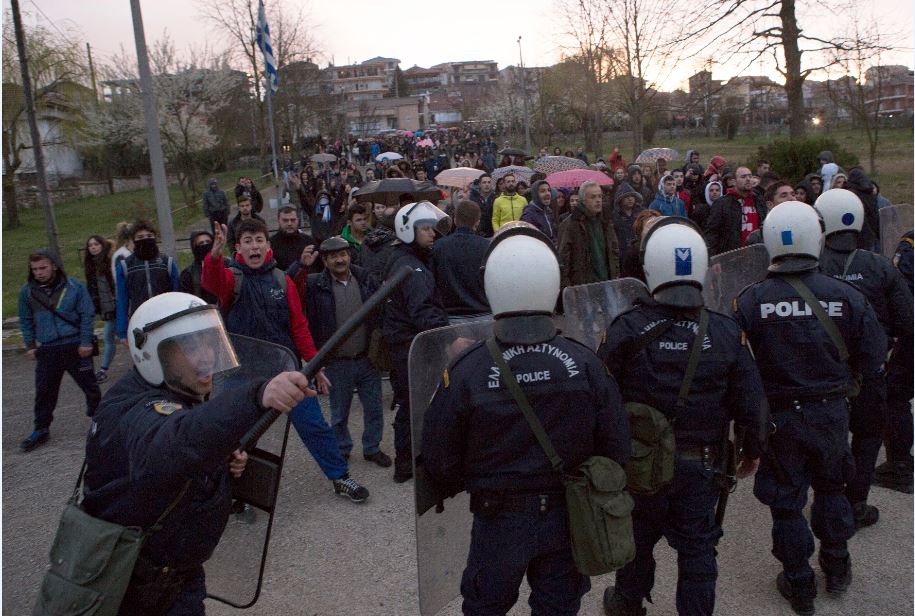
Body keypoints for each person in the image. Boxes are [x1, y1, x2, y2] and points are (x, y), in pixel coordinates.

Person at [422, 225, 630, 616]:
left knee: (485, 608)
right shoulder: (585, 362)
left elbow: (438, 457)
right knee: (558, 607)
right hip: (567, 514)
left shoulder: (467, 370)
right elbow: (616, 443)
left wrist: (476, 477)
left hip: (497, 518)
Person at [81, 291, 316, 613]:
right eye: (190, 346)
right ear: (153, 353)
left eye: (209, 342)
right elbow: (175, 442)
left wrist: (221, 461)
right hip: (131, 590)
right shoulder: (133, 410)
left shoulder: (176, 393)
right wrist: (256, 395)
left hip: (174, 577)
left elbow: (183, 452)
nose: (207, 355)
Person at [600, 218, 767, 616]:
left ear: (650, 266)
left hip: (641, 464)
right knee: (698, 548)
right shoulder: (726, 331)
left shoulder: (626, 327)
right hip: (702, 465)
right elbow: (751, 401)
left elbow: (602, 400)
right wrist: (753, 449)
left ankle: (627, 602)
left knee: (638, 537)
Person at [734, 201, 886, 615]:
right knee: (832, 489)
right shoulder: (847, 296)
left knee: (786, 502)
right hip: (831, 414)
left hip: (779, 420)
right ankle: (836, 566)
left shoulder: (749, 301)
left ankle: (799, 582)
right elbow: (873, 358)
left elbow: (737, 370)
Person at [202, 218, 370, 502]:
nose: (254, 247)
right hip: (242, 375)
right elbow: (213, 282)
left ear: (268, 245)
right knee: (236, 435)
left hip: (284, 370)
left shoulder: (282, 280)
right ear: (238, 248)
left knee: (314, 425)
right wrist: (214, 257)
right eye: (247, 242)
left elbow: (298, 326)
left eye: (259, 240)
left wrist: (315, 365)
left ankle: (341, 477)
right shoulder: (232, 278)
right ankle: (233, 492)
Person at [813, 189, 913, 527]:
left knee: (828, 435)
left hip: (824, 372)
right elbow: (907, 320)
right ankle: (856, 502)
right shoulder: (879, 266)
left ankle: (828, 499)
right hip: (870, 368)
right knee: (868, 434)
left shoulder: (812, 266)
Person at [303, 236, 391, 468]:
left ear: (350, 256)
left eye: (343, 254)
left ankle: (372, 448)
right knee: (339, 412)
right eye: (334, 256)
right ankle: (342, 448)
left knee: (374, 409)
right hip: (337, 363)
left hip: (366, 358)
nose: (340, 260)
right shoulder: (316, 286)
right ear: (325, 261)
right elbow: (307, 319)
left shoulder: (364, 279)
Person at [382, 202, 450, 482]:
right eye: (425, 228)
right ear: (408, 230)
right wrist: (448, 337)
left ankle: (409, 461)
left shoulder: (408, 259)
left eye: (432, 227)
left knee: (411, 406)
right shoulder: (411, 267)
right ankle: (408, 463)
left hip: (406, 346)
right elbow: (423, 312)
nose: (432, 233)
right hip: (411, 348)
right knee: (414, 407)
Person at [18, 250, 101, 452]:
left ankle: (100, 421)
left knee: (90, 387)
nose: (39, 273)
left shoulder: (74, 286)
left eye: (43, 268)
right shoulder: (27, 292)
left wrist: (85, 342)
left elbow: (87, 314)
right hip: (48, 348)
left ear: (54, 266)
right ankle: (41, 428)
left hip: (75, 345)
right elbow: (25, 320)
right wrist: (30, 345)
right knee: (44, 391)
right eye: (35, 269)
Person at [876, 230, 914, 493]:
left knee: (895, 395)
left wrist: (889, 338)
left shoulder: (911, 244)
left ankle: (898, 467)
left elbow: (902, 294)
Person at [115, 221, 179, 342]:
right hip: (139, 319)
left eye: (149, 236)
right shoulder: (125, 266)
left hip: (165, 318)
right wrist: (122, 331)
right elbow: (122, 300)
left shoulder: (167, 262)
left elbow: (177, 293)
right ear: (133, 240)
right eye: (140, 237)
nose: (145, 239)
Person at [557, 179, 621, 288]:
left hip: (608, 282)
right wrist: (569, 288)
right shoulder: (570, 224)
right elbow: (563, 259)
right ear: (583, 200)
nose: (598, 200)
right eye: (593, 197)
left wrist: (616, 277)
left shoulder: (605, 221)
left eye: (600, 196)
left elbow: (614, 250)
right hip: (583, 286)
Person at [431, 200, 490, 316]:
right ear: (477, 222)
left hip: (449, 316)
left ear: (455, 220)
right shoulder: (487, 247)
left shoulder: (439, 246)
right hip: (483, 314)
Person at [704, 167, 767, 255]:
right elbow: (712, 233)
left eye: (750, 176)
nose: (748, 179)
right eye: (743, 177)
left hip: (757, 254)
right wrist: (713, 257)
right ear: (734, 182)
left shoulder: (759, 201)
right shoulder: (722, 204)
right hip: (732, 256)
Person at [83, 235, 118, 384]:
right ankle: (103, 370)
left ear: (102, 246)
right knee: (111, 337)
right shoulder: (91, 266)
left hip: (117, 306)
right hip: (107, 309)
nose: (93, 247)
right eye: (90, 245)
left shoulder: (111, 262)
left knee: (115, 336)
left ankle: (104, 370)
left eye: (96, 244)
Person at [270, 206, 318, 272]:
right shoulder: (271, 244)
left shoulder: (309, 241)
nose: (289, 223)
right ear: (278, 221)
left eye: (293, 220)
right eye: (285, 220)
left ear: (298, 220)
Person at [612, 183, 646, 273]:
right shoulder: (614, 216)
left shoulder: (642, 213)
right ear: (620, 199)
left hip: (640, 253)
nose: (630, 199)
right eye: (626, 197)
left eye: (632, 196)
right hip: (623, 255)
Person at [179, 230, 220, 305]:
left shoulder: (227, 264)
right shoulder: (188, 274)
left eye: (208, 242)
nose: (205, 245)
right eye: (201, 243)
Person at [520, 180, 558, 245]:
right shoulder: (528, 216)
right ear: (535, 195)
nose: (547, 193)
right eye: (542, 191)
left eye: (549, 190)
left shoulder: (548, 211)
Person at [469, 173, 497, 237]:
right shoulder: (473, 198)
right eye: (484, 182)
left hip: (492, 233)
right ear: (480, 184)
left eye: (489, 182)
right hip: (477, 233)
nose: (487, 184)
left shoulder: (496, 198)